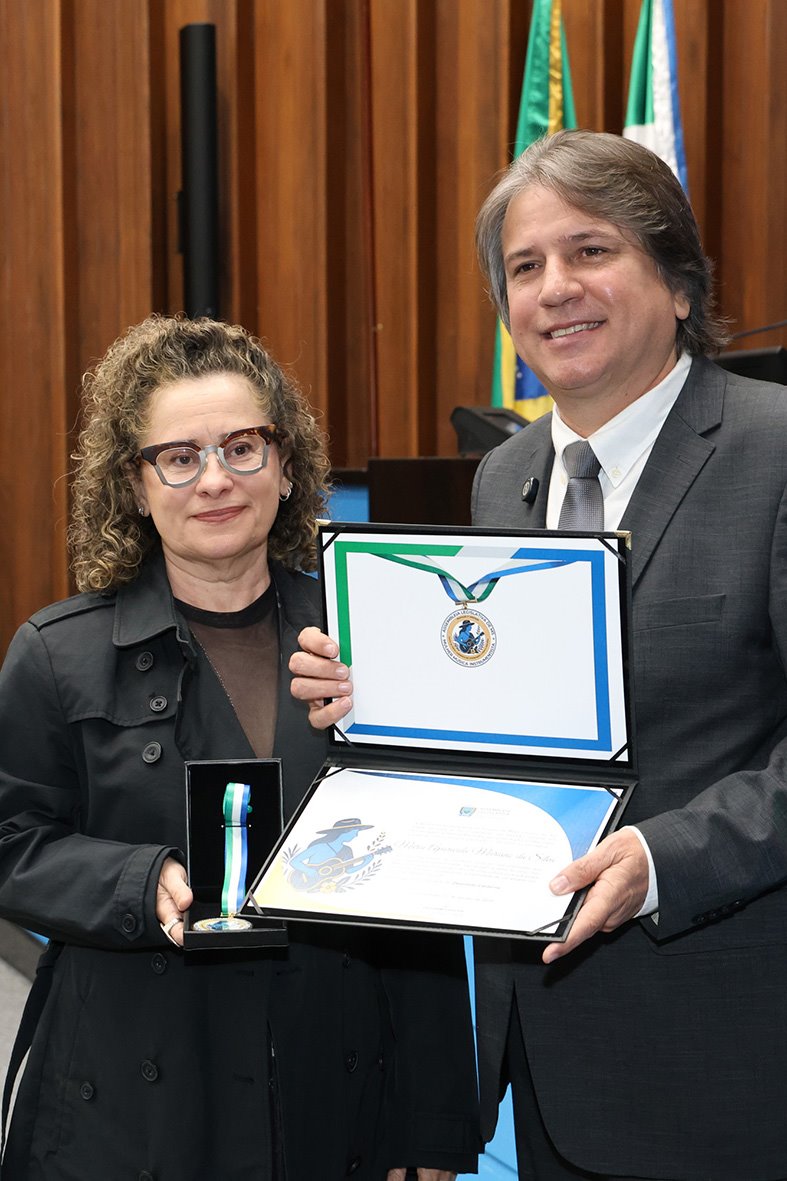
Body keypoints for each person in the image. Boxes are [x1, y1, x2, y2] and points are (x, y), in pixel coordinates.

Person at [290, 129, 787, 1179]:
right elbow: (501, 717)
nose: (554, 288)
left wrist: (662, 859)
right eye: (525, 267)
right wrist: (375, 701)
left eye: (590, 251)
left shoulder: (775, 449)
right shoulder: (502, 478)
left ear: (679, 284)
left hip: (732, 1053)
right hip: (545, 1054)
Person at [0, 315, 479, 1180]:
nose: (215, 479)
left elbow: (420, 892)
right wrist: (135, 879)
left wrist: (434, 1118)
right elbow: (11, 842)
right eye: (179, 457)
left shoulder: (372, 632)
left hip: (333, 1081)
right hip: (132, 1096)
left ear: (286, 465)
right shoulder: (55, 654)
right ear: (135, 484)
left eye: (242, 447)